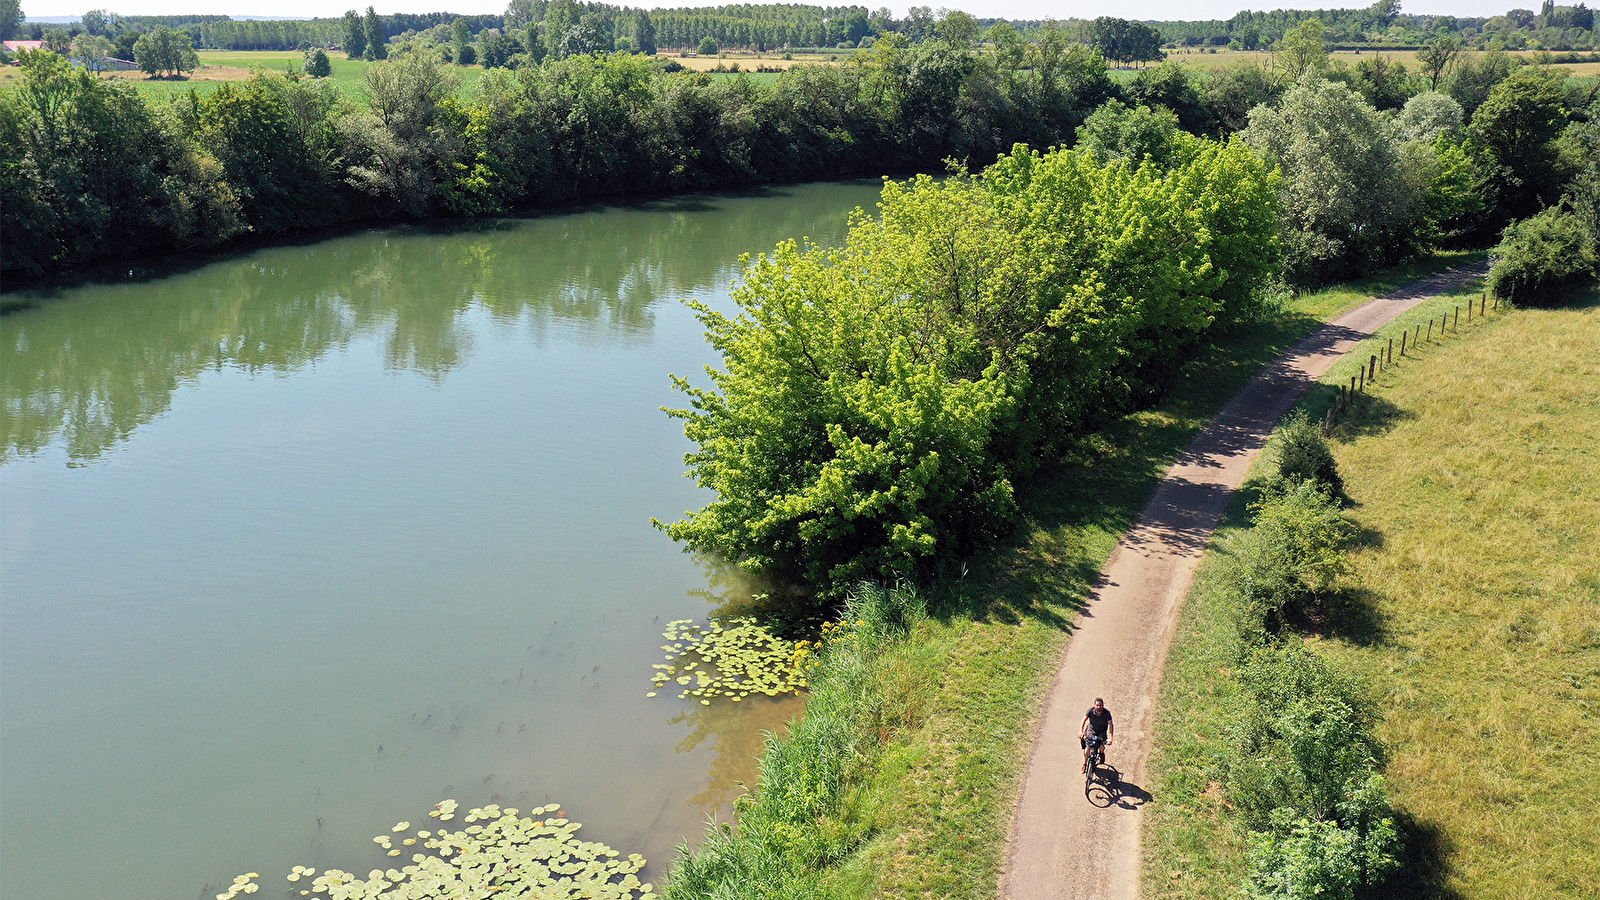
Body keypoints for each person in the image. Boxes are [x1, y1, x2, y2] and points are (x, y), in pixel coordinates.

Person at [1080, 697, 1113, 773]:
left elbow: (1110, 725)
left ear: (1103, 705)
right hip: (1091, 730)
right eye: (1097, 705)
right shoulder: (1091, 710)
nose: (1099, 707)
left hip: (1102, 732)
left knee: (1101, 745)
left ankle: (1101, 753)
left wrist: (1111, 738)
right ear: (1094, 705)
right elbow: (1083, 720)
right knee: (1088, 748)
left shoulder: (1107, 713)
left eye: (1100, 705)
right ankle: (1085, 764)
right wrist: (1081, 731)